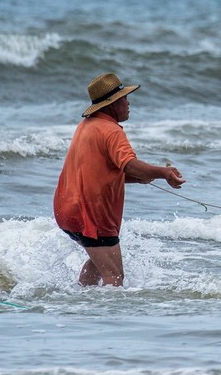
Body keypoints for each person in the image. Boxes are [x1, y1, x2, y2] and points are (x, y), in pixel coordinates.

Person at [53, 72, 185, 287]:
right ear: (112, 104)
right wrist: (163, 172)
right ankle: (105, 319)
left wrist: (139, 178)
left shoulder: (86, 127)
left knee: (98, 263)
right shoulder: (111, 131)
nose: (128, 102)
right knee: (114, 277)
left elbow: (97, 172)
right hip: (91, 215)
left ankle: (82, 299)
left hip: (68, 209)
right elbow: (130, 163)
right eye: (124, 98)